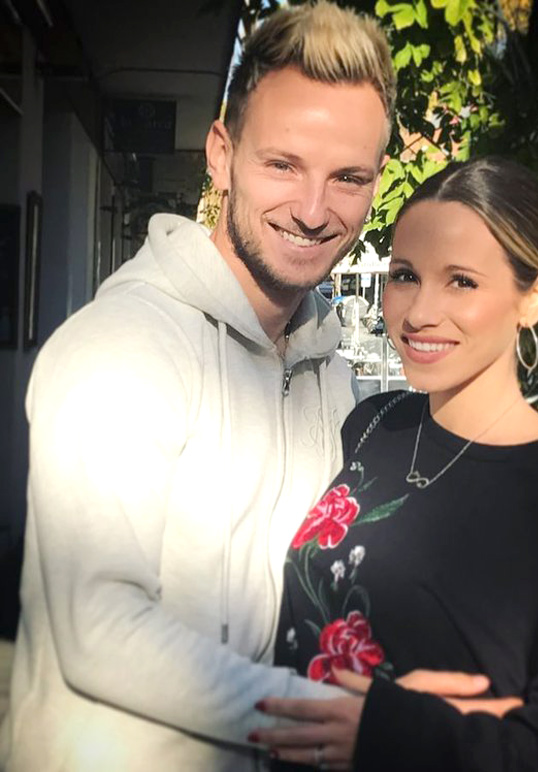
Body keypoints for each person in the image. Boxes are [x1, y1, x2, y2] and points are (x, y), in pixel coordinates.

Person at [0, 4, 397, 771]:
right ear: (222, 154)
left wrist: (417, 702)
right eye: (283, 164)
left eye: (347, 177)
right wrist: (341, 721)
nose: (314, 211)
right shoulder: (124, 348)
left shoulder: (332, 375)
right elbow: (98, 628)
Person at [251, 157, 538, 770]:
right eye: (406, 275)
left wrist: (403, 731)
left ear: (534, 295)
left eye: (461, 281)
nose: (419, 312)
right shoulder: (374, 426)